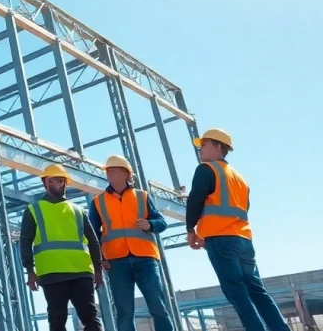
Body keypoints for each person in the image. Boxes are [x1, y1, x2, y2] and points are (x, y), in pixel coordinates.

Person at [187, 129, 289, 331]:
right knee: (257, 290)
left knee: (236, 292)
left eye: (204, 145)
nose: (200, 149)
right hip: (243, 240)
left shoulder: (206, 170)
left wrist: (191, 229)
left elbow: (195, 199)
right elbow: (244, 208)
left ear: (218, 147)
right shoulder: (240, 178)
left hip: (219, 239)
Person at [90, 155, 173, 331]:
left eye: (113, 170)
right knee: (124, 313)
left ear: (126, 174)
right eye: (108, 171)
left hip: (146, 259)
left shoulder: (143, 196)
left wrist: (150, 224)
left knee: (158, 307)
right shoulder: (98, 201)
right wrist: (99, 259)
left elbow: (162, 222)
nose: (109, 174)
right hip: (116, 261)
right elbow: (92, 234)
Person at [20, 163, 104, 331]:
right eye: (55, 181)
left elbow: (94, 241)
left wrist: (98, 269)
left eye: (62, 181)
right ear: (46, 182)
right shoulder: (33, 210)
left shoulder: (78, 210)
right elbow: (25, 242)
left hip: (81, 272)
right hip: (52, 273)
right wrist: (30, 270)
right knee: (57, 320)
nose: (59, 184)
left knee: (91, 319)